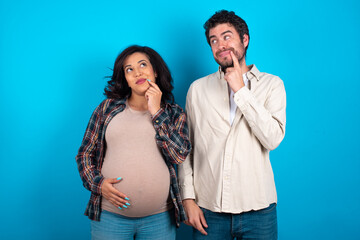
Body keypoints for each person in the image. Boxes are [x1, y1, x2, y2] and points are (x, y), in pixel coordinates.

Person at [178, 10, 286, 240]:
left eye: (226, 36)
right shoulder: (197, 89)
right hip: (209, 210)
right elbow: (187, 149)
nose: (220, 45)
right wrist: (187, 199)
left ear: (244, 40)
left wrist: (241, 91)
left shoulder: (272, 85)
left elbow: (273, 138)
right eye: (213, 40)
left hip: (259, 210)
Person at [75, 45, 191, 240]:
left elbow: (178, 155)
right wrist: (98, 184)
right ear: (126, 79)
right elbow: (85, 154)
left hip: (160, 219)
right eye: (129, 69)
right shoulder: (106, 109)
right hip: (111, 217)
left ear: (155, 71)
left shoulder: (174, 113)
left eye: (143, 65)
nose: (137, 72)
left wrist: (156, 112)